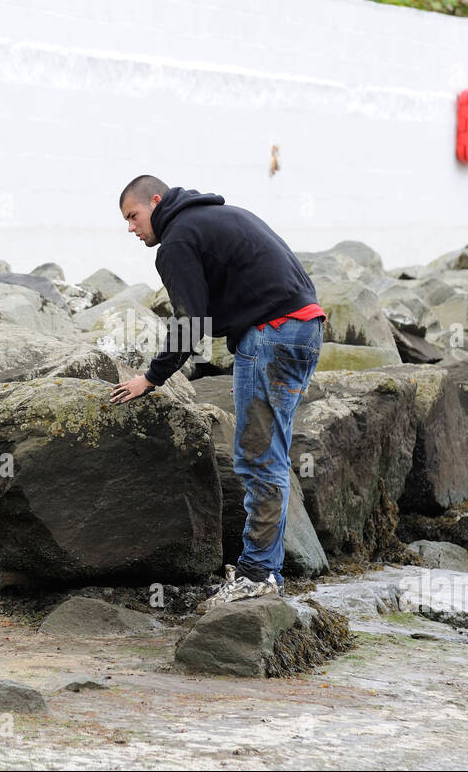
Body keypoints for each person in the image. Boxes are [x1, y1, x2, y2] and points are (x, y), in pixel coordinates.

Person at [108, 175, 326, 613]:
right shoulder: (215, 217)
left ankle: (256, 575)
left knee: (258, 457)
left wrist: (151, 378)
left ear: (156, 201)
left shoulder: (178, 240)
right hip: (305, 328)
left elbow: (191, 320)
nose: (131, 228)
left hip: (273, 334)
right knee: (272, 455)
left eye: (133, 216)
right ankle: (265, 570)